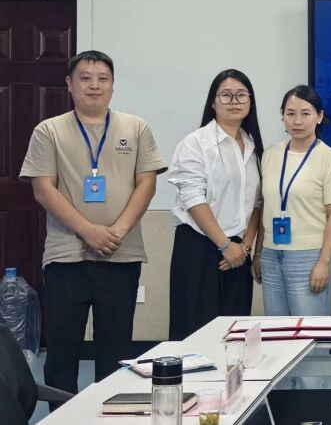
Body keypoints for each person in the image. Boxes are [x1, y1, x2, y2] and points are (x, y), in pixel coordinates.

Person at [19, 50, 167, 399]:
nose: (94, 85)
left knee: (116, 353)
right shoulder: (49, 130)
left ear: (113, 85)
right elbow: (43, 189)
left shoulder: (136, 127)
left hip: (121, 255)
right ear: (69, 84)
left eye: (102, 78)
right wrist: (90, 231)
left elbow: (147, 183)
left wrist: (117, 231)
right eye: (85, 78)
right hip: (66, 258)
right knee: (62, 352)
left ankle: (109, 418)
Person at [252, 85, 331, 389]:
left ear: (319, 116)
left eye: (305, 113)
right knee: (278, 340)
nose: (297, 120)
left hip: (310, 258)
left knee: (309, 341)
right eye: (290, 113)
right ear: (282, 116)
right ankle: (285, 406)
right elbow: (266, 206)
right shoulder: (271, 155)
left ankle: (313, 407)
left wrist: (324, 262)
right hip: (272, 256)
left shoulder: (329, 158)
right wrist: (258, 252)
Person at [166, 69, 264, 341]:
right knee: (196, 335)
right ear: (213, 102)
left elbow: (257, 203)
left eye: (241, 95)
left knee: (234, 336)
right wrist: (224, 245)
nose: (234, 101)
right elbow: (193, 199)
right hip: (200, 247)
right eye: (226, 95)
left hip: (239, 252)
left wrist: (244, 247)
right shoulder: (196, 143)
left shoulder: (253, 145)